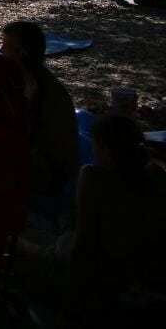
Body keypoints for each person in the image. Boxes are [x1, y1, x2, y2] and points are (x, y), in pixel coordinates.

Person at [66, 113, 166, 323]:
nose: (93, 150)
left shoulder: (93, 177)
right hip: (147, 273)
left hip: (110, 276)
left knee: (32, 241)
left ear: (108, 152)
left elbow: (83, 245)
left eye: (96, 146)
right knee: (82, 118)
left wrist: (74, 301)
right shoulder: (156, 174)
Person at [0, 21, 79, 202]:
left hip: (47, 173)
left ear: (21, 53)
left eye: (6, 47)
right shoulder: (33, 76)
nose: (1, 51)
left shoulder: (32, 87)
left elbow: (19, 134)